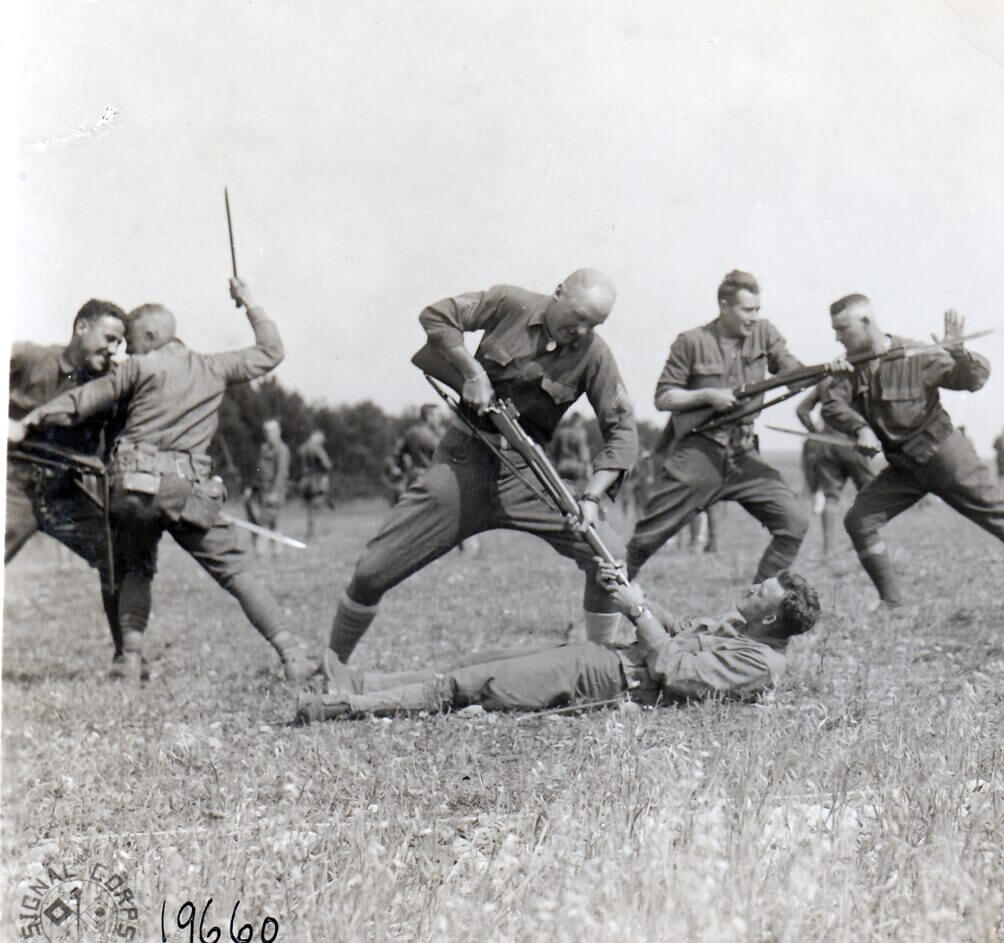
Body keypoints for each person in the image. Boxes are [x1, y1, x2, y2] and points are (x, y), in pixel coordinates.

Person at [326, 268, 639, 661]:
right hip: (463, 464)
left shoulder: (595, 355)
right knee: (372, 571)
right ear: (558, 291)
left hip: (528, 475)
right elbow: (437, 316)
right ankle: (331, 664)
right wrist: (471, 372)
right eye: (576, 316)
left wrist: (592, 496)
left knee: (607, 554)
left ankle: (597, 664)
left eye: (593, 324)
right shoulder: (510, 302)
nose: (579, 330)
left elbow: (623, 431)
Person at [15, 278, 318, 682]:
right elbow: (272, 351)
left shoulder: (138, 368)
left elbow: (79, 402)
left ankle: (131, 660)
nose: (126, 351)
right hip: (187, 489)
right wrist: (250, 303)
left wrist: (31, 419)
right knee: (236, 572)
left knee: (137, 569)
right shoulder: (214, 366)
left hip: (133, 488)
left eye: (132, 341)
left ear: (152, 335)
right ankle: (292, 654)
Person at [296, 565, 821, 721]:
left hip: (612, 679)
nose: (750, 587)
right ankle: (360, 681)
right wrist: (630, 594)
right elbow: (679, 630)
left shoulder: (759, 663)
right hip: (606, 661)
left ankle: (340, 706)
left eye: (761, 592)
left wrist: (638, 612)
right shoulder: (743, 630)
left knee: (474, 684)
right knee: (481, 662)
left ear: (772, 615)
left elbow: (678, 673)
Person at [821, 296, 1004, 609]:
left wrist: (958, 353)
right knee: (859, 520)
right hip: (904, 468)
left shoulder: (916, 354)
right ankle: (892, 603)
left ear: (866, 322)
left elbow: (973, 380)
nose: (838, 337)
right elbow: (831, 405)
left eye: (843, 329)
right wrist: (859, 428)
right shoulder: (849, 368)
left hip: (946, 457)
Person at [625, 270, 824, 583]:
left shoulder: (765, 333)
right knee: (644, 541)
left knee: (794, 521)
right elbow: (664, 397)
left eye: (757, 310)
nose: (754, 317)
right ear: (724, 306)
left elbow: (792, 371)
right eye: (747, 310)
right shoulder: (691, 342)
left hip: (744, 453)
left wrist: (825, 371)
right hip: (700, 451)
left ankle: (755, 610)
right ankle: (606, 608)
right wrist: (707, 395)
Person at [7, 298, 129, 666]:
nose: (113, 350)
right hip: (14, 486)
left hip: (67, 493)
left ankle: (128, 658)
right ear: (81, 328)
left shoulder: (112, 386)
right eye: (108, 338)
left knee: (115, 556)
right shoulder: (28, 357)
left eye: (119, 344)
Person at [796, 379, 875, 557]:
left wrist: (816, 433)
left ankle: (828, 550)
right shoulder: (860, 379)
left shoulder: (825, 381)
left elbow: (801, 410)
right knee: (871, 492)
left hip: (827, 444)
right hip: (853, 443)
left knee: (830, 498)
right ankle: (867, 544)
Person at [244, 418, 291, 554]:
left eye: (271, 431)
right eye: (266, 431)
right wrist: (251, 486)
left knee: (274, 522)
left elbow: (281, 472)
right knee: (262, 520)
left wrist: (275, 492)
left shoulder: (282, 449)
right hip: (262, 489)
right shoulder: (264, 448)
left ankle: (275, 554)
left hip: (275, 489)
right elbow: (259, 469)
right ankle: (263, 553)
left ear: (278, 432)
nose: (268, 434)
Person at [296, 429, 334, 538]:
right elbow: (327, 465)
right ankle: (319, 533)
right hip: (317, 481)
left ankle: (310, 532)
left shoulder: (302, 448)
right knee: (319, 506)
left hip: (305, 481)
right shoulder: (318, 449)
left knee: (309, 509)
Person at [547, 411, 593, 492]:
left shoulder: (561, 433)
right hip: (576, 467)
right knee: (575, 492)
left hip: (562, 465)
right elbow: (584, 454)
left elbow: (554, 452)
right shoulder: (580, 433)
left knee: (562, 490)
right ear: (578, 421)